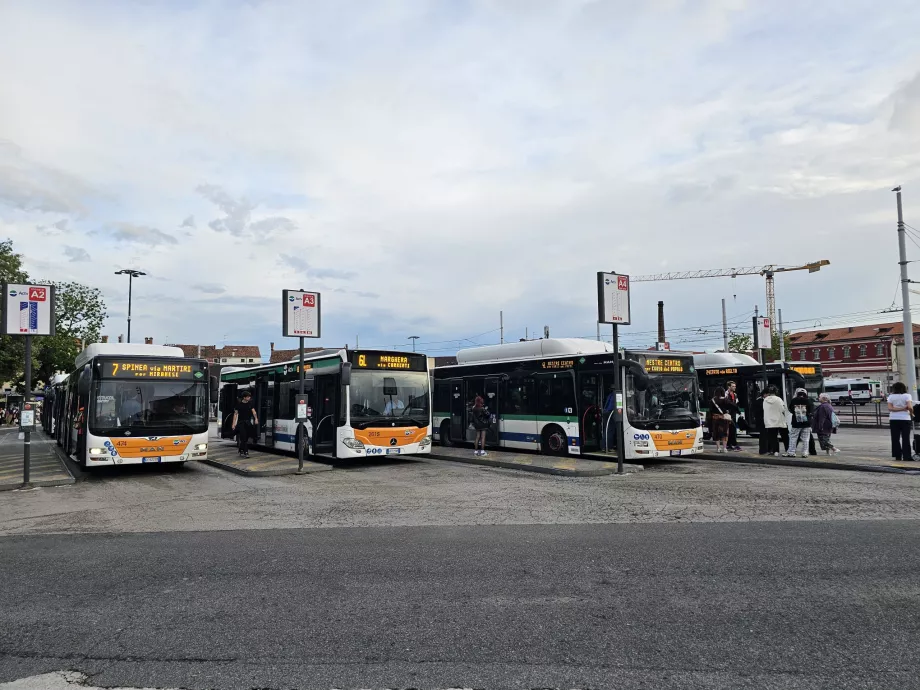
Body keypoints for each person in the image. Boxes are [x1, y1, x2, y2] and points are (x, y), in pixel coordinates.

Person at [887, 381, 914, 462]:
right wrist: (911, 413)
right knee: (905, 438)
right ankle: (907, 456)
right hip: (905, 419)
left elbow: (890, 408)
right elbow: (909, 407)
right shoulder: (907, 396)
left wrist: (898, 409)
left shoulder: (891, 396)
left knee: (895, 438)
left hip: (893, 419)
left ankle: (897, 456)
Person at [785, 387, 814, 458]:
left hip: (796, 423)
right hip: (806, 423)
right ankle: (805, 453)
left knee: (793, 437)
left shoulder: (793, 400)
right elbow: (811, 411)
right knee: (806, 439)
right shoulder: (809, 401)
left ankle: (791, 452)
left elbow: (790, 409)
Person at [231, 391, 259, 458]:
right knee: (243, 437)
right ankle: (246, 452)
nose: (249, 398)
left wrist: (256, 419)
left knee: (246, 438)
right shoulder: (239, 405)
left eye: (249, 397)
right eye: (248, 397)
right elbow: (235, 414)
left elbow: (254, 412)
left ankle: (241, 449)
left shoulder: (250, 404)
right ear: (244, 397)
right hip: (241, 423)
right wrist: (233, 424)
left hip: (248, 423)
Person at [762, 386, 788, 457]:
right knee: (785, 436)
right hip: (779, 420)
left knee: (773, 437)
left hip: (769, 421)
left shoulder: (765, 400)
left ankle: (775, 451)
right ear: (776, 392)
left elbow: (764, 409)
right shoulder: (778, 399)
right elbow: (783, 409)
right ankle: (787, 449)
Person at [708, 387, 731, 453]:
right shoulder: (725, 400)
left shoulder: (712, 400)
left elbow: (710, 410)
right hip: (724, 418)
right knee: (725, 433)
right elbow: (729, 408)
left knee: (716, 433)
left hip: (715, 418)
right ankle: (725, 448)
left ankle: (718, 448)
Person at [725, 381, 742, 451]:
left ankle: (729, 445)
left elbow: (736, 404)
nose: (734, 387)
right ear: (729, 387)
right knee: (732, 429)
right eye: (733, 386)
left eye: (735, 386)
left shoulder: (735, 394)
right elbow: (727, 404)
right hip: (728, 414)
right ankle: (735, 445)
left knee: (732, 430)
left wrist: (738, 412)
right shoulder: (725, 394)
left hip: (733, 414)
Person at [751, 388, 767, 454]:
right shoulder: (759, 401)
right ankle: (763, 450)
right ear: (764, 394)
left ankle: (766, 449)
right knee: (763, 435)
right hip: (761, 420)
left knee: (765, 435)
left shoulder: (762, 400)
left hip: (764, 420)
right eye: (767, 394)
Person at [603, 385, 616, 451]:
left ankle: (604, 446)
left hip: (606, 413)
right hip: (610, 413)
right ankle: (609, 447)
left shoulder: (610, 395)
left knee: (607, 430)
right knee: (610, 431)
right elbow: (611, 407)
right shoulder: (615, 396)